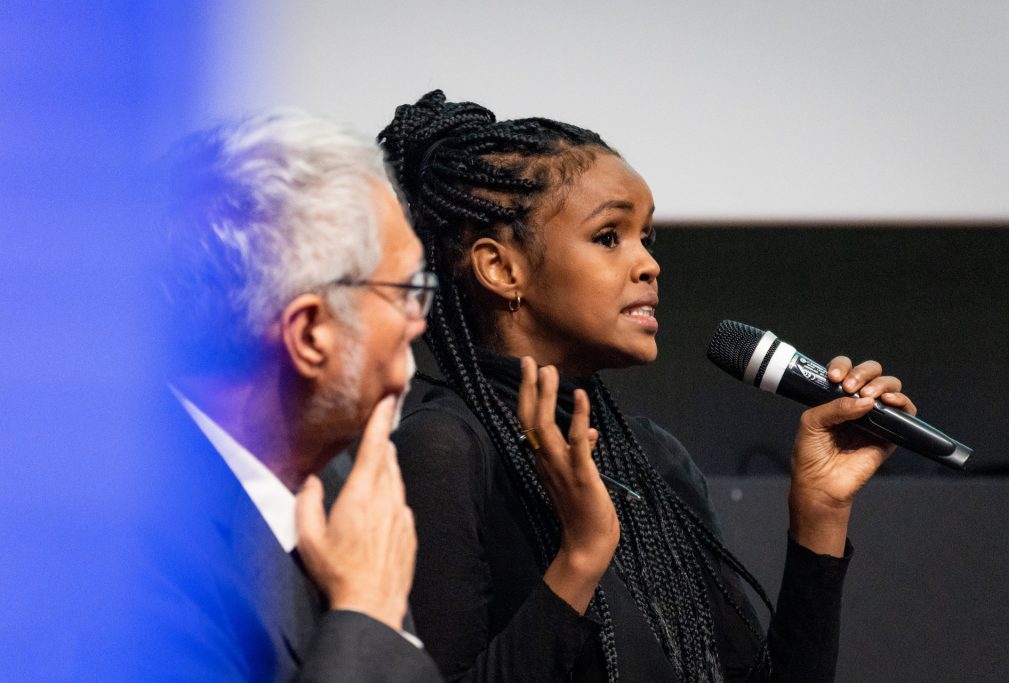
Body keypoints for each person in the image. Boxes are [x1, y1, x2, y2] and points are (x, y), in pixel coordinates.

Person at [374, 90, 917, 682]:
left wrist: (820, 513)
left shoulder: (654, 459)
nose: (648, 265)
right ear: (502, 268)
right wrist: (581, 558)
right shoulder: (442, 452)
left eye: (646, 238)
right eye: (609, 236)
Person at [142, 110, 441, 681]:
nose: (418, 321)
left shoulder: (334, 481)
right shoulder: (124, 562)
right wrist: (367, 615)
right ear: (310, 334)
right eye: (406, 290)